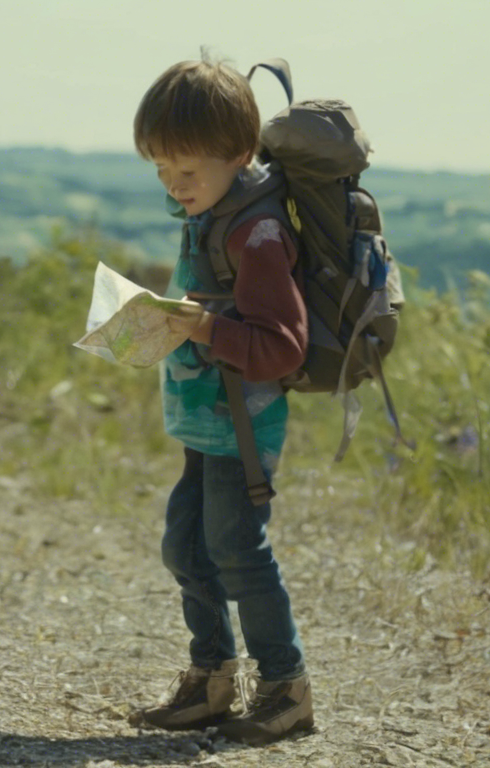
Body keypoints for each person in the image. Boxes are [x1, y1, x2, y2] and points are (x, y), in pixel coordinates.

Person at [127, 54, 314, 745]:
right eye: (161, 172)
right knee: (186, 546)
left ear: (238, 156)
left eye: (187, 172)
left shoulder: (255, 234)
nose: (175, 188)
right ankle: (212, 679)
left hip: (244, 423)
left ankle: (285, 687)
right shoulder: (212, 212)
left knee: (237, 551)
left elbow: (285, 346)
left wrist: (204, 326)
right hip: (208, 419)